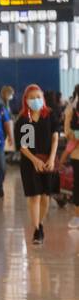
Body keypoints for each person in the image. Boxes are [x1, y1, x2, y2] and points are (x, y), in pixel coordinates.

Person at [14, 84, 60, 246]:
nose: (35, 100)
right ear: (26, 100)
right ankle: (36, 229)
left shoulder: (50, 116)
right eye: (32, 98)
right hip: (30, 163)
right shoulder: (24, 119)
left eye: (38, 97)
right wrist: (35, 160)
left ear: (43, 98)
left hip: (48, 161)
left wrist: (52, 158)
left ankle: (40, 223)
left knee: (45, 198)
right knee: (34, 196)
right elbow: (23, 146)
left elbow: (55, 137)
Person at [64, 85, 79, 230]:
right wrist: (74, 135)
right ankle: (77, 216)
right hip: (77, 154)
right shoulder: (71, 110)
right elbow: (67, 130)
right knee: (78, 185)